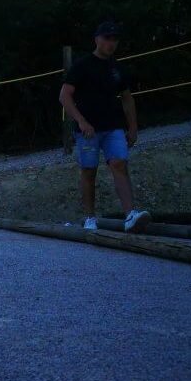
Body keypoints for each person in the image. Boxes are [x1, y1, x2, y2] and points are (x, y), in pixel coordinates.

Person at [59, 21, 151, 232]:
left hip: (113, 127)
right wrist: (81, 121)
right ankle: (90, 218)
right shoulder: (82, 66)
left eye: (114, 39)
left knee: (119, 164)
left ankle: (130, 215)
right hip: (88, 131)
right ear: (97, 39)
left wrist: (133, 126)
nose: (111, 43)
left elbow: (127, 98)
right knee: (89, 171)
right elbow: (64, 96)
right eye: (107, 38)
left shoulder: (117, 68)